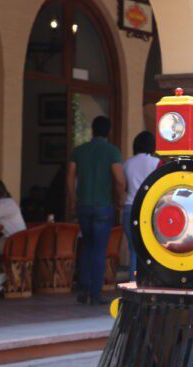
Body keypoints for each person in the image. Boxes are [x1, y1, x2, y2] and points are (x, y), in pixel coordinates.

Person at [67, 116, 125, 305]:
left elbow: (70, 176)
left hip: (83, 205)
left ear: (92, 130)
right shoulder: (112, 152)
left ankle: (83, 289)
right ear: (108, 132)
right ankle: (96, 292)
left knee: (87, 247)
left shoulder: (79, 151)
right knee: (100, 249)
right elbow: (118, 178)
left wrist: (74, 199)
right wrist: (121, 198)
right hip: (102, 206)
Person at [122, 131, 159, 279]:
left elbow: (123, 186)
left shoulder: (127, 163)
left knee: (133, 250)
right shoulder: (155, 163)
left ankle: (133, 283)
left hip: (129, 208)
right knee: (151, 251)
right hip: (148, 209)